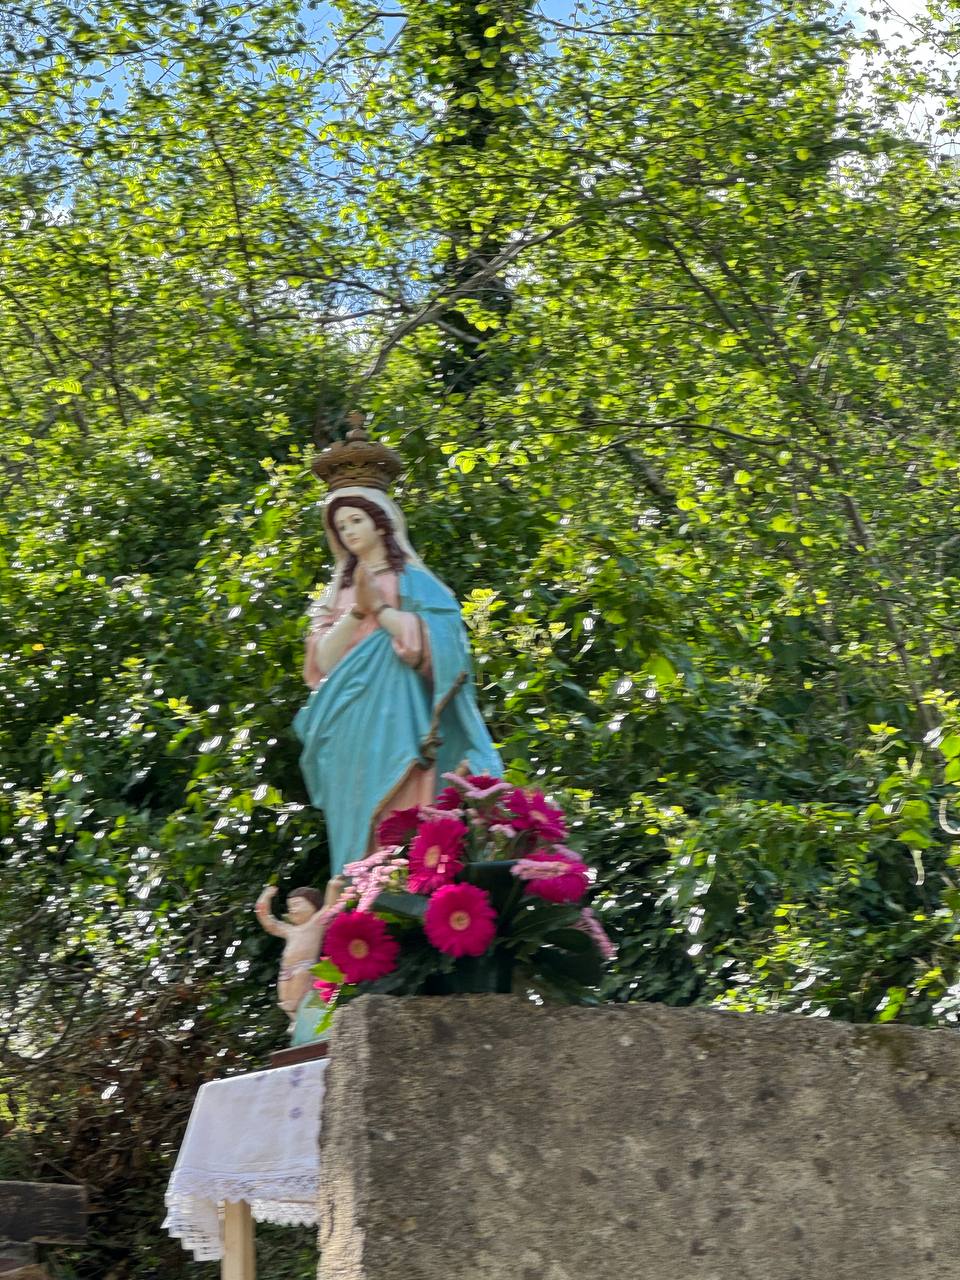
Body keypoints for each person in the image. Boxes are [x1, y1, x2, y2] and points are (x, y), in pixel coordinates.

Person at [293, 484, 502, 876]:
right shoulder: (335, 595)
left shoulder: (414, 581)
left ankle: (401, 877)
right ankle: (356, 884)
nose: (349, 532)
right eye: (341, 526)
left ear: (381, 524)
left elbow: (442, 643)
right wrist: (358, 613)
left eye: (357, 520)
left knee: (402, 799)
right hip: (345, 719)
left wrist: (382, 610)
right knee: (354, 806)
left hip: (400, 714)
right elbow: (323, 662)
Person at [253, 879, 346, 1027]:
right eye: (290, 906)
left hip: (305, 967)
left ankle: (304, 1020)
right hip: (286, 969)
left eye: (296, 904)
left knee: (299, 989)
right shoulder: (289, 930)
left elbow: (330, 907)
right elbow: (266, 920)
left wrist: (332, 887)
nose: (292, 910)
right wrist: (265, 896)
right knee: (285, 998)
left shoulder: (315, 924)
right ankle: (296, 1021)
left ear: (313, 906)